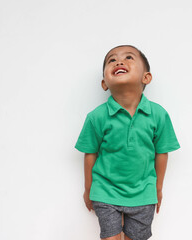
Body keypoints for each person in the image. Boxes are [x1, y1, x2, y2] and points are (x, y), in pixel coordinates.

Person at [75, 45, 180, 240]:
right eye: (111, 60)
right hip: (105, 192)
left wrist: (157, 188)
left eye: (129, 57)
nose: (119, 62)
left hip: (144, 194)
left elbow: (162, 152)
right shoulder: (96, 116)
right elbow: (90, 153)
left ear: (146, 77)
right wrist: (88, 188)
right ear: (104, 83)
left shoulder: (158, 114)